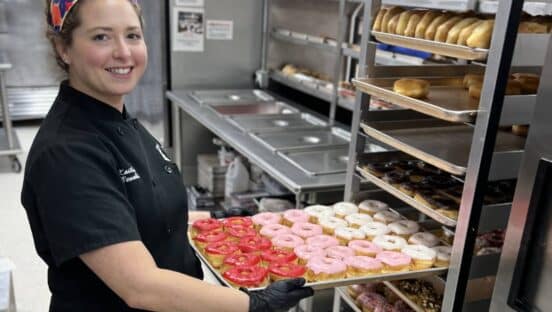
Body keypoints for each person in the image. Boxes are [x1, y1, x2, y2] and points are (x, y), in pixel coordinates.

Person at [21, 0, 313, 311]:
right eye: (101, 37)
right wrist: (253, 303)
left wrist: (222, 224)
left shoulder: (116, 118)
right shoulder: (66, 153)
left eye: (132, 35)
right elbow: (140, 286)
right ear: (64, 48)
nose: (123, 52)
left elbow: (146, 215)